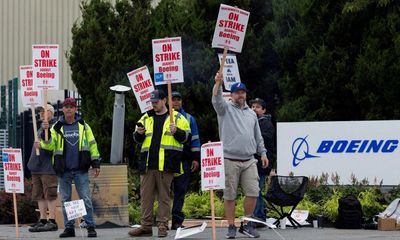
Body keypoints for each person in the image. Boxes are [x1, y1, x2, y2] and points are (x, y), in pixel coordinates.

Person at [212, 74, 268, 239]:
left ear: (245, 94)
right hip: (230, 159)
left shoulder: (252, 114)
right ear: (231, 95)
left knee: (253, 192)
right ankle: (231, 226)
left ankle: (246, 224)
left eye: (243, 92)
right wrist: (218, 83)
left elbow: (258, 137)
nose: (240, 95)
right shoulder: (224, 109)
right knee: (230, 195)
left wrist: (263, 153)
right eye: (237, 92)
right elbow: (216, 99)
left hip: (250, 160)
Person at [129, 89, 191, 238]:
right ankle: (146, 226)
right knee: (146, 197)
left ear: (165, 101)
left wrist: (177, 131)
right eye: (152, 102)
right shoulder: (145, 118)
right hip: (148, 164)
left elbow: (187, 138)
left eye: (156, 102)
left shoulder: (177, 118)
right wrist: (139, 133)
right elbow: (136, 139)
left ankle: (162, 226)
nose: (153, 105)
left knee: (164, 197)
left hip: (167, 164)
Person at [40, 98, 101, 238]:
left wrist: (95, 163)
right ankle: (69, 228)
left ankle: (90, 226)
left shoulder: (84, 126)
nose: (68, 109)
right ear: (62, 109)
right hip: (64, 170)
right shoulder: (56, 127)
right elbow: (49, 146)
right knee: (65, 199)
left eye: (71, 107)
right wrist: (46, 132)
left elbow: (92, 144)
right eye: (66, 107)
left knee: (85, 198)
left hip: (81, 169)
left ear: (75, 109)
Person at [170, 91, 200, 230]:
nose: (176, 102)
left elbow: (195, 139)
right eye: (173, 100)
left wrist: (195, 158)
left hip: (184, 159)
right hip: (166, 160)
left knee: (180, 191)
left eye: (178, 100)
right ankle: (162, 220)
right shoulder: (163, 117)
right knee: (163, 192)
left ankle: (176, 221)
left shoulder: (189, 118)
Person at [28, 104, 58, 232]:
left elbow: (53, 145)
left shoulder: (54, 127)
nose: (41, 113)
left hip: (48, 168)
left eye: (44, 111)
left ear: (51, 113)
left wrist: (44, 142)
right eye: (40, 111)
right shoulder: (40, 128)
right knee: (39, 194)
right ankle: (43, 219)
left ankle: (52, 220)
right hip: (37, 167)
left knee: (49, 194)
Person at [249, 98, 276, 225]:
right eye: (253, 106)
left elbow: (264, 140)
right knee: (254, 189)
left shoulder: (266, 123)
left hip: (261, 163)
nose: (254, 109)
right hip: (252, 161)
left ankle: (259, 216)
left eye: (258, 107)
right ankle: (258, 214)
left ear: (264, 110)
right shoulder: (251, 122)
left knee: (256, 189)